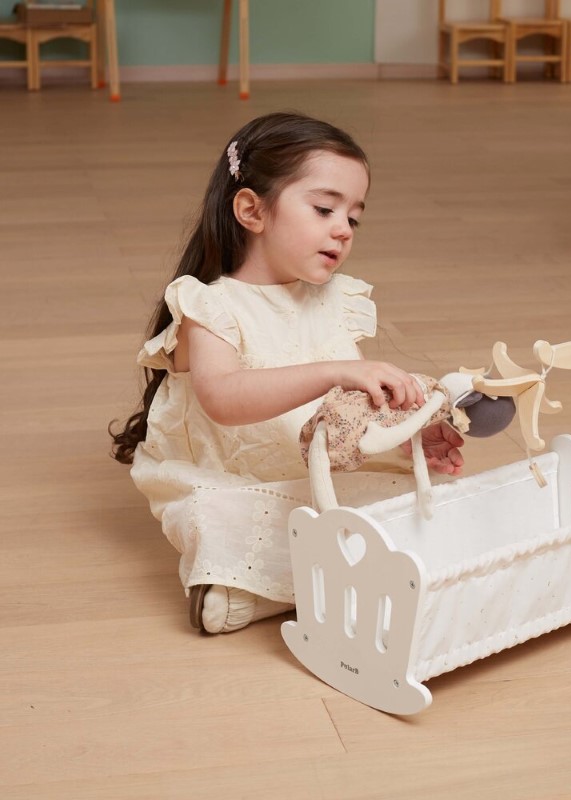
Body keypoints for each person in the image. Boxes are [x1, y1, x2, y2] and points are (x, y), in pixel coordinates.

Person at [110, 112, 464, 634]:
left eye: (353, 218)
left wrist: (407, 433)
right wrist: (336, 371)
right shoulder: (210, 306)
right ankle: (253, 588)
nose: (342, 230)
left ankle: (300, 580)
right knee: (217, 515)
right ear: (252, 210)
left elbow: (350, 412)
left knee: (429, 498)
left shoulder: (335, 300)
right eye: (324, 209)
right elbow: (224, 399)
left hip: (316, 478)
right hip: (237, 482)